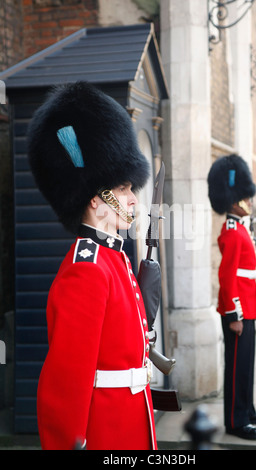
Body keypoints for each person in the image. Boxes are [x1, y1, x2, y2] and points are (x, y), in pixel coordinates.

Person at [27, 81, 157, 450]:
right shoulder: (87, 268)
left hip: (132, 419)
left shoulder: (113, 257)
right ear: (96, 199)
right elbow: (66, 381)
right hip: (107, 430)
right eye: (123, 190)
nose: (132, 199)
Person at [207, 154, 256, 440]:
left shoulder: (242, 227)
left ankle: (248, 408)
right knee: (236, 367)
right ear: (235, 201)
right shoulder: (232, 232)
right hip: (238, 310)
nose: (250, 202)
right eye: (246, 198)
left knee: (247, 363)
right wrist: (234, 315)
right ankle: (235, 420)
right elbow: (227, 276)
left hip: (249, 304)